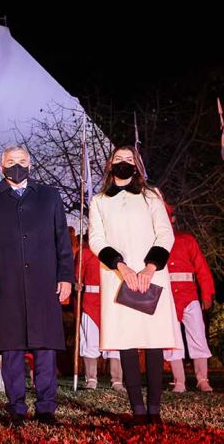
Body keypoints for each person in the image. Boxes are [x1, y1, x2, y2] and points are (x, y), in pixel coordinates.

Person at [0, 145, 74, 425]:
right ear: (1, 165)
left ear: (31, 164)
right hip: (5, 285)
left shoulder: (49, 196)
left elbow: (61, 242)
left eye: (21, 160)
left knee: (45, 350)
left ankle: (46, 408)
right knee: (11, 349)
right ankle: (16, 407)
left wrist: (66, 276)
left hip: (44, 285)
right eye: (10, 161)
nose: (16, 165)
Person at [88, 145, 181, 425]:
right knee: (126, 342)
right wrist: (122, 266)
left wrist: (150, 267)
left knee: (153, 343)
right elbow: (97, 240)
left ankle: (154, 410)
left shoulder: (151, 196)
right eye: (119, 159)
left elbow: (165, 233)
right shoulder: (99, 201)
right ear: (109, 166)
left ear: (137, 166)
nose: (124, 164)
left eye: (130, 160)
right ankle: (137, 411)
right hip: (119, 277)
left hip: (151, 275)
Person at [163, 205, 215, 392]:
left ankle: (202, 379)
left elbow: (202, 269)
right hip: (167, 297)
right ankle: (179, 381)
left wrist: (206, 293)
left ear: (173, 219)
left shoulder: (187, 240)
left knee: (197, 335)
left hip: (189, 294)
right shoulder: (154, 243)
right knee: (171, 339)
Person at [77, 236, 124, 391]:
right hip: (91, 302)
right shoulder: (86, 252)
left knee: (115, 342)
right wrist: (76, 283)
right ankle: (91, 379)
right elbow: (76, 274)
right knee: (90, 340)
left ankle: (117, 380)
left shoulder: (117, 250)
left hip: (112, 302)